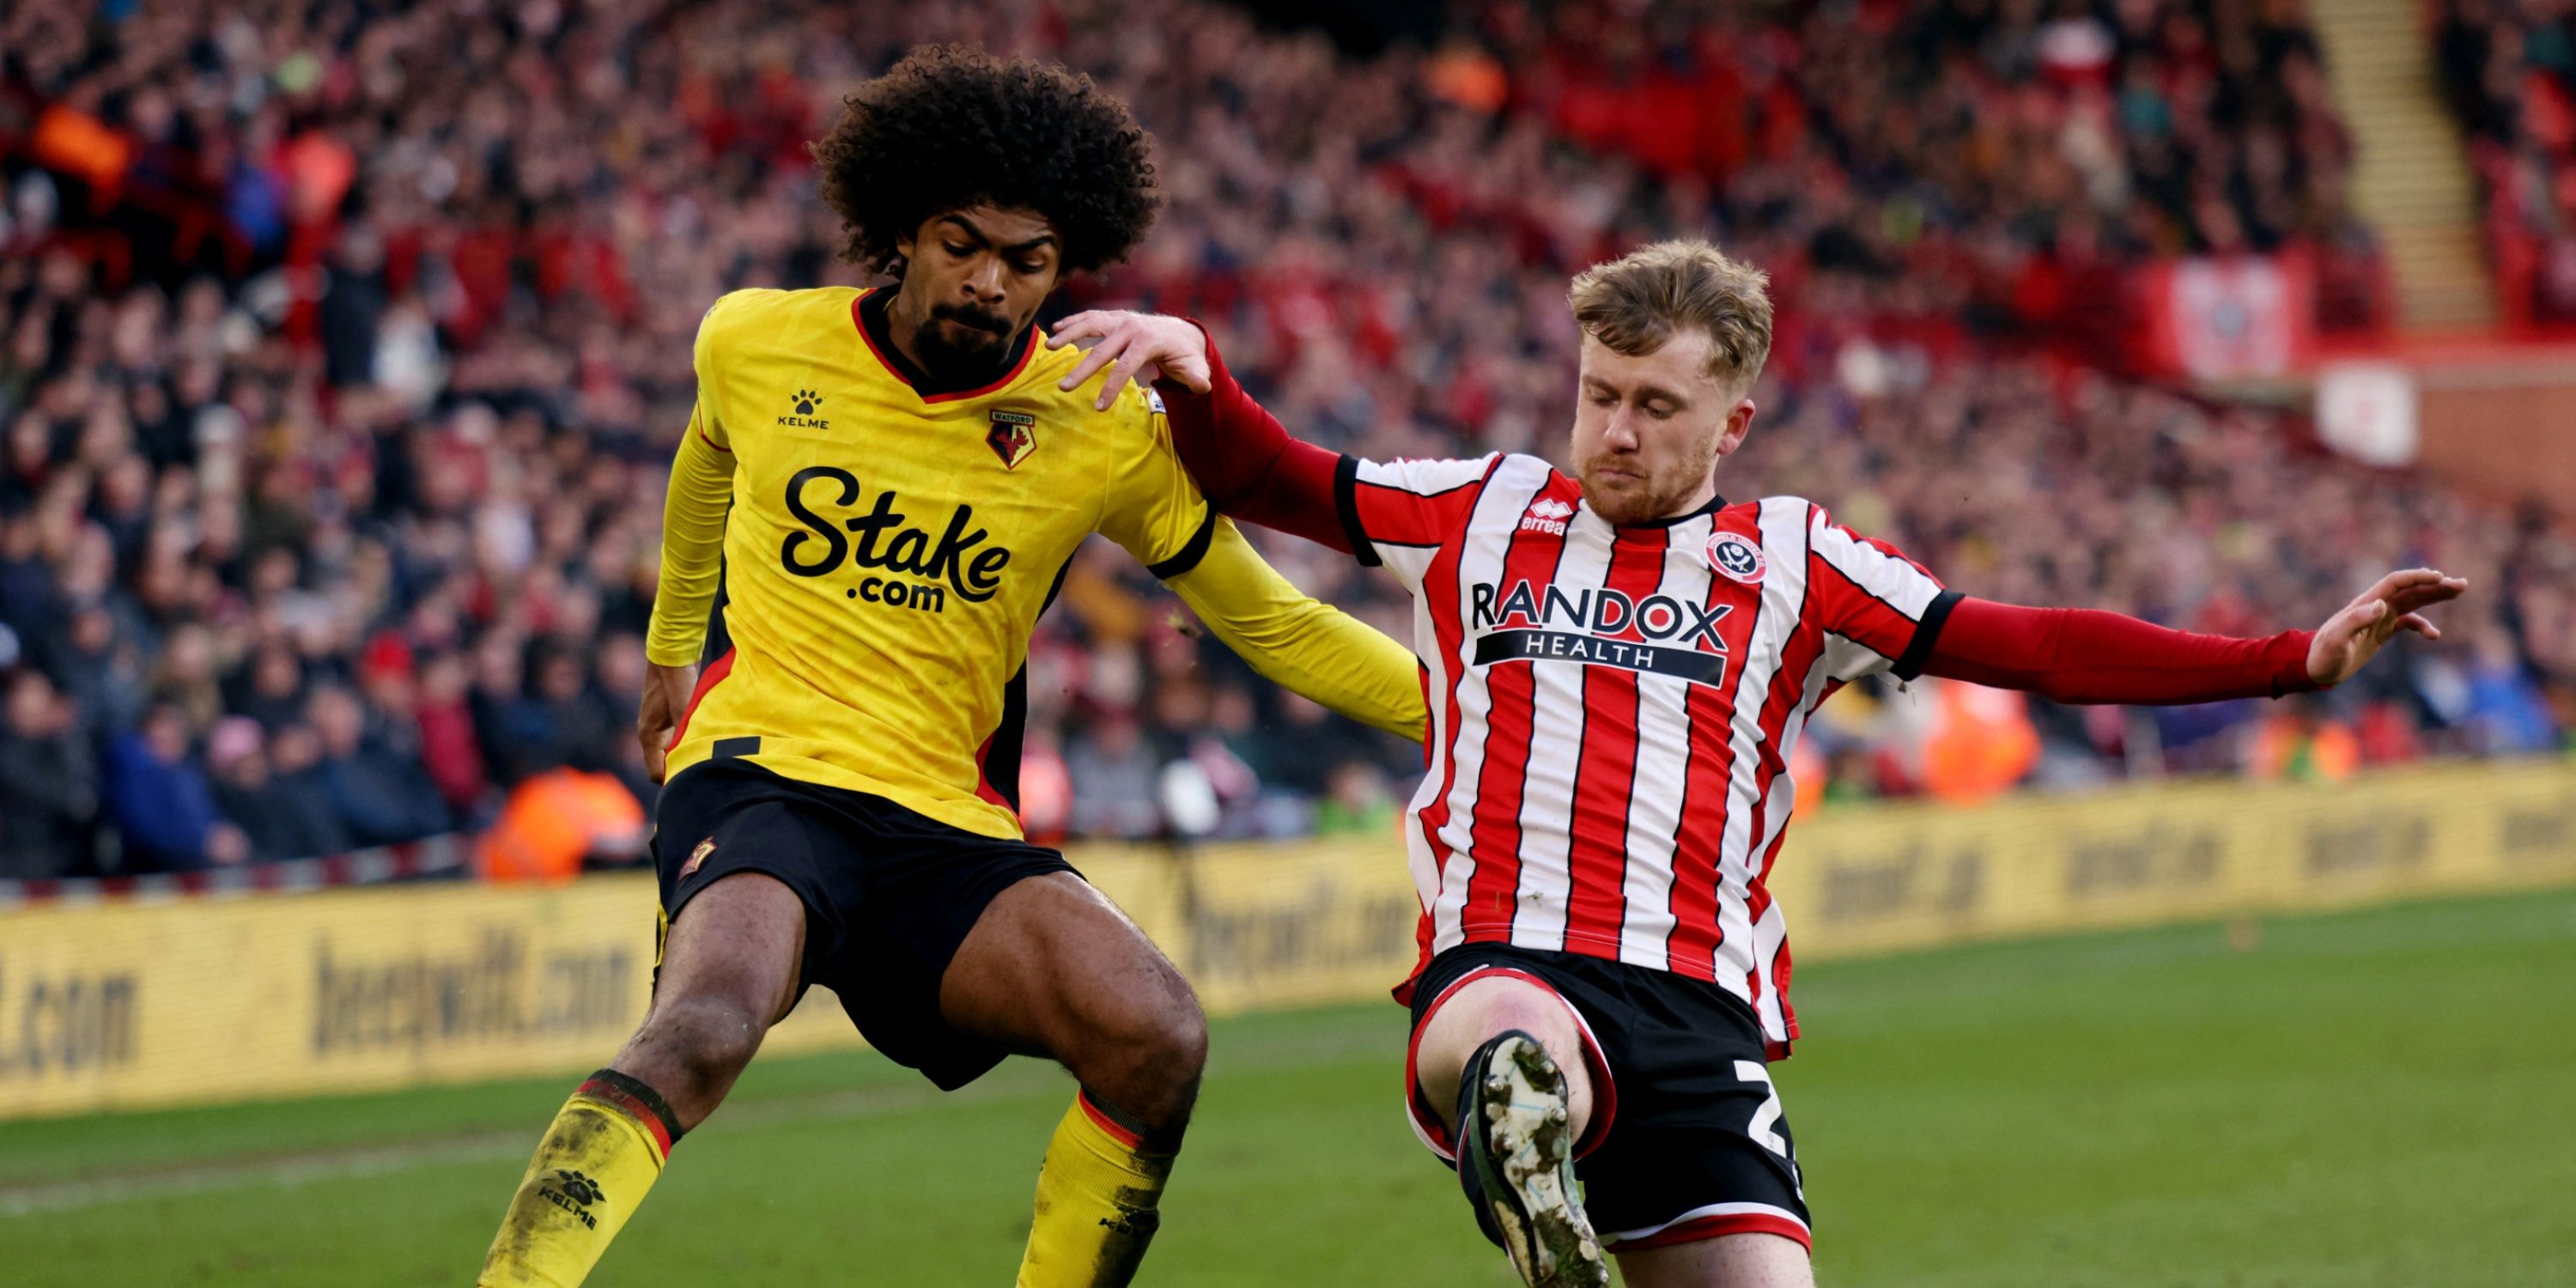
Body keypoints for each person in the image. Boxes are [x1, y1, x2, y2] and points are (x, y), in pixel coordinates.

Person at [1048, 239, 2467, 1288]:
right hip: (1506, 970)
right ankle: (1526, 1155)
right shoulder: (1478, 508)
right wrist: (1197, 369)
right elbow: (1283, 477)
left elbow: (2031, 643)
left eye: (1656, 407)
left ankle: (1558, 1202)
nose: (1613, 428)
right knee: (1509, 1058)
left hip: (1705, 1021)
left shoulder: (1794, 561)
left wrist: (2287, 658)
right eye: (1599, 392)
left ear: (1732, 423)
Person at [475, 47, 1427, 1288]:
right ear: (901, 233)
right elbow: (707, 457)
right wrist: (674, 646)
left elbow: (1272, 621)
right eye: (960, 244)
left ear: (1063, 266)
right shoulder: (759, 342)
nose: (988, 283)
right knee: (708, 1024)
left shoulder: (1101, 423)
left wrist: (1475, 709)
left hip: (942, 823)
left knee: (1156, 1035)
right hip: (765, 775)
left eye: (1026, 262)